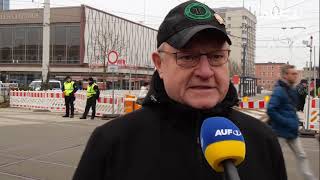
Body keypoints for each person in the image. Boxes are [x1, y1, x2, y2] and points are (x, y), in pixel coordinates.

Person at [73, 1, 287, 180]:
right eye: (187, 57)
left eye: (216, 57)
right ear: (159, 64)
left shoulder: (262, 140)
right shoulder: (112, 142)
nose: (205, 71)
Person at [267, 65, 316, 180]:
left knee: (302, 156)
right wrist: (286, 122)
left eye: (296, 73)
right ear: (285, 75)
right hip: (280, 132)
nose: (296, 75)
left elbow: (291, 109)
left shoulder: (292, 89)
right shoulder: (279, 90)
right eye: (293, 74)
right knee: (275, 158)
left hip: (292, 131)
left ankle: (309, 178)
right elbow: (271, 109)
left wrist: (296, 121)